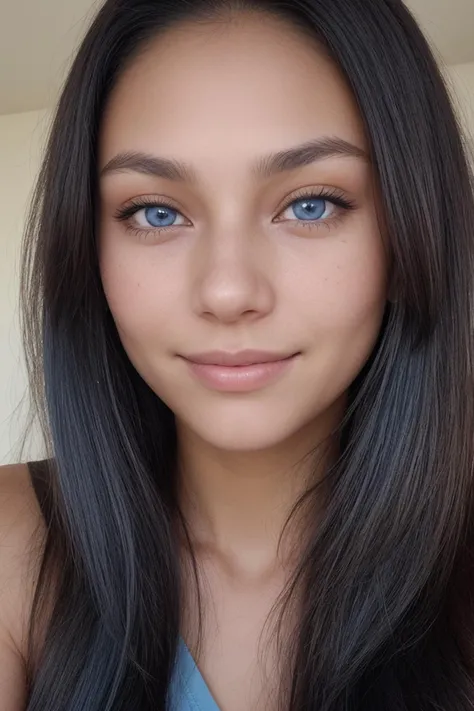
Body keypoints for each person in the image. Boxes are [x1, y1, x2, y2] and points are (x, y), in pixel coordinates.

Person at [1, 0, 474, 709]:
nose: (227, 290)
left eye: (310, 204)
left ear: (414, 225)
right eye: (156, 212)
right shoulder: (16, 544)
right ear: (86, 249)